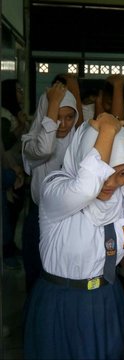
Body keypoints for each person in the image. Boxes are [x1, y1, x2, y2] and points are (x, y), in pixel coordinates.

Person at [23, 113, 124, 359]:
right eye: (104, 172)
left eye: (119, 174)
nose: (109, 184)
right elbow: (86, 187)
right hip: (62, 301)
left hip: (106, 297)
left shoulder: (118, 197)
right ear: (83, 161)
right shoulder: (56, 188)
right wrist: (107, 132)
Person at [21, 80, 80, 292]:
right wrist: (52, 102)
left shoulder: (80, 143)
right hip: (39, 217)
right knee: (38, 277)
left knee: (64, 280)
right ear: (45, 116)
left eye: (69, 117)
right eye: (56, 117)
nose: (63, 125)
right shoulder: (31, 142)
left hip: (71, 220)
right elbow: (45, 149)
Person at [1, 79, 28, 264]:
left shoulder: (14, 113)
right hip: (7, 166)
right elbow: (6, 142)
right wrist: (20, 125)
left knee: (15, 207)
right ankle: (7, 249)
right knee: (8, 212)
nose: (21, 93)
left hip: (16, 166)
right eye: (18, 90)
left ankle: (10, 246)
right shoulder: (4, 115)